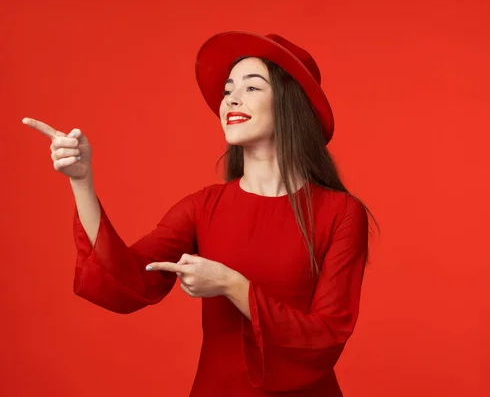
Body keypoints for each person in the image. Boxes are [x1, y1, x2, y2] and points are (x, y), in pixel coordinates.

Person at [22, 31, 377, 396]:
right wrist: (82, 182)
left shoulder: (341, 213)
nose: (231, 100)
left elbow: (327, 336)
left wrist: (231, 285)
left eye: (252, 88)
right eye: (228, 90)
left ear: (290, 103)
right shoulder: (202, 207)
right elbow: (125, 280)